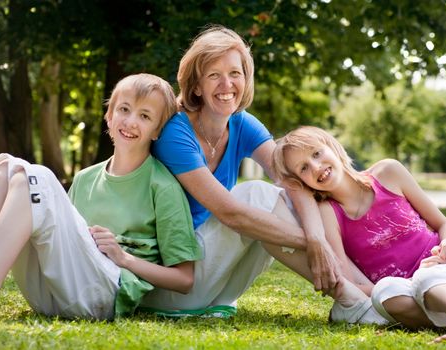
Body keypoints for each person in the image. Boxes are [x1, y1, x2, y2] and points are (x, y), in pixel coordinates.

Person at [149, 25, 384, 323]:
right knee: (256, 195)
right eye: (213, 75)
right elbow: (230, 213)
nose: (227, 84)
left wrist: (316, 235)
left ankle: (372, 293)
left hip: (215, 288)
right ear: (196, 86)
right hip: (172, 281)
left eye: (235, 73)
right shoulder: (176, 134)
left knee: (284, 196)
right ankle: (352, 299)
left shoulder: (242, 123)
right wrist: (310, 242)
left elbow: (291, 180)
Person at [0, 73, 203, 321]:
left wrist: (124, 258)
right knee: (5, 170)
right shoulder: (85, 178)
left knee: (36, 177)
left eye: (145, 116)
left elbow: (185, 279)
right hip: (53, 291)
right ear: (109, 116)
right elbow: (67, 240)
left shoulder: (163, 186)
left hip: (104, 294)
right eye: (124, 109)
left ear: (157, 131)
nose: (130, 121)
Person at [271, 125, 446, 344]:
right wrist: (411, 282)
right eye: (303, 168)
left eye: (316, 153)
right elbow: (348, 282)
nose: (316, 167)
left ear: (332, 147)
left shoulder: (388, 172)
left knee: (428, 278)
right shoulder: (328, 213)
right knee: (385, 292)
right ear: (301, 181)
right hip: (420, 295)